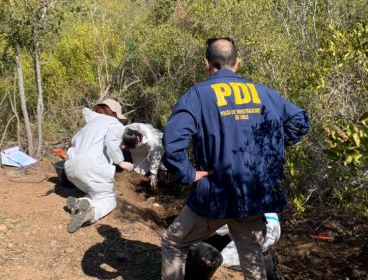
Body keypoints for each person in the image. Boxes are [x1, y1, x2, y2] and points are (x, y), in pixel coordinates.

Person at [161, 37, 310, 280]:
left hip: (214, 196)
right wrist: (273, 150)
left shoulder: (197, 96)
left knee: (173, 244)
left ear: (207, 63)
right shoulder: (264, 93)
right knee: (251, 254)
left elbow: (172, 142)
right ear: (237, 62)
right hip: (254, 195)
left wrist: (187, 174)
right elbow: (300, 122)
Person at [64, 98, 134, 233]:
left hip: (71, 169)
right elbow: (111, 142)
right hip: (92, 166)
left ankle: (80, 204)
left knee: (96, 193)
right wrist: (121, 161)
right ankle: (91, 214)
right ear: (114, 113)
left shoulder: (87, 126)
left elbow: (73, 143)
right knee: (109, 198)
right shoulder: (114, 123)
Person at [122, 123, 164, 187]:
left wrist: (153, 173)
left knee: (158, 163)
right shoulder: (124, 131)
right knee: (140, 170)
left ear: (139, 139)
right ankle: (147, 175)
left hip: (150, 146)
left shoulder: (151, 140)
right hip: (136, 150)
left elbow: (155, 156)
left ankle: (159, 176)